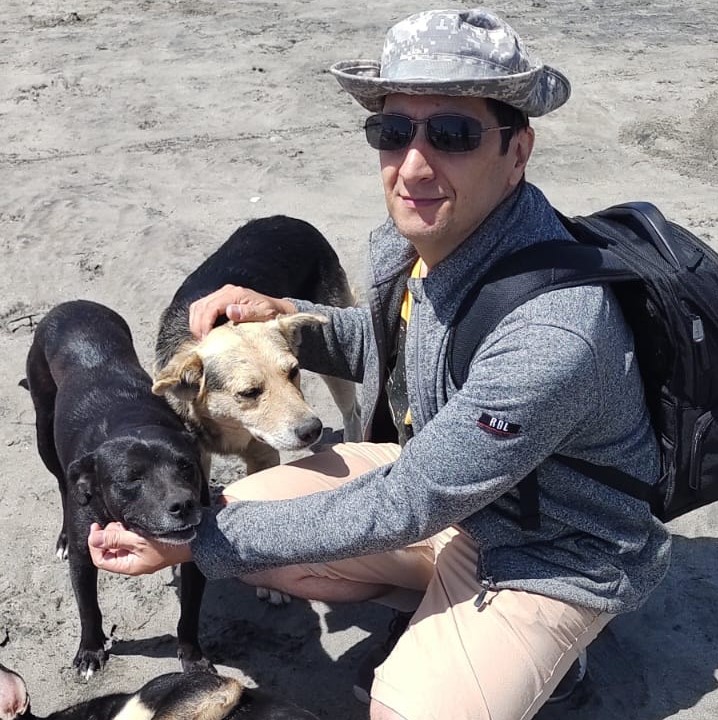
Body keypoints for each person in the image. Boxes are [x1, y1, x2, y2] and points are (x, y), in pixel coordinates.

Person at [88, 8, 671, 720]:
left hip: (553, 548)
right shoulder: (436, 244)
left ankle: (554, 652)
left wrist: (195, 542)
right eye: (393, 131)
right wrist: (282, 318)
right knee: (250, 524)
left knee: (397, 704)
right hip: (464, 498)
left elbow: (408, 502)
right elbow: (390, 345)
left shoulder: (552, 332)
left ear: (517, 150)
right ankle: (439, 615)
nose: (413, 165)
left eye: (453, 134)